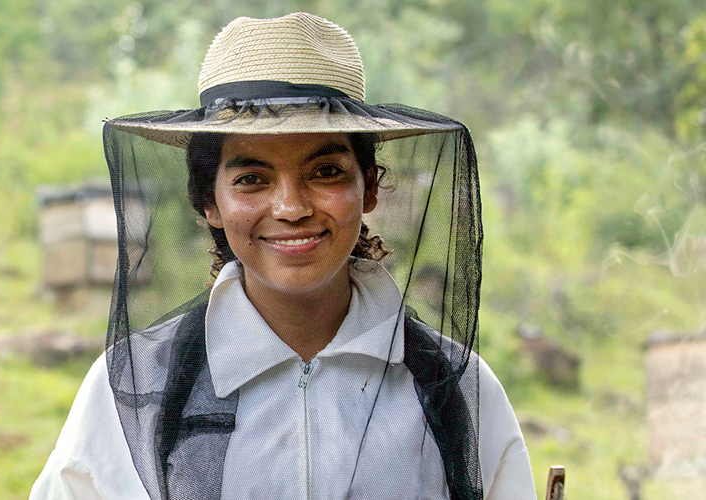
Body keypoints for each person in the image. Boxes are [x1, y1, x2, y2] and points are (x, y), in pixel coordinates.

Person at [32, 12, 534, 500]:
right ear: (209, 201)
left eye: (326, 173)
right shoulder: (135, 385)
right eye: (252, 179)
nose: (291, 208)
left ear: (371, 188)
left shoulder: (456, 386)